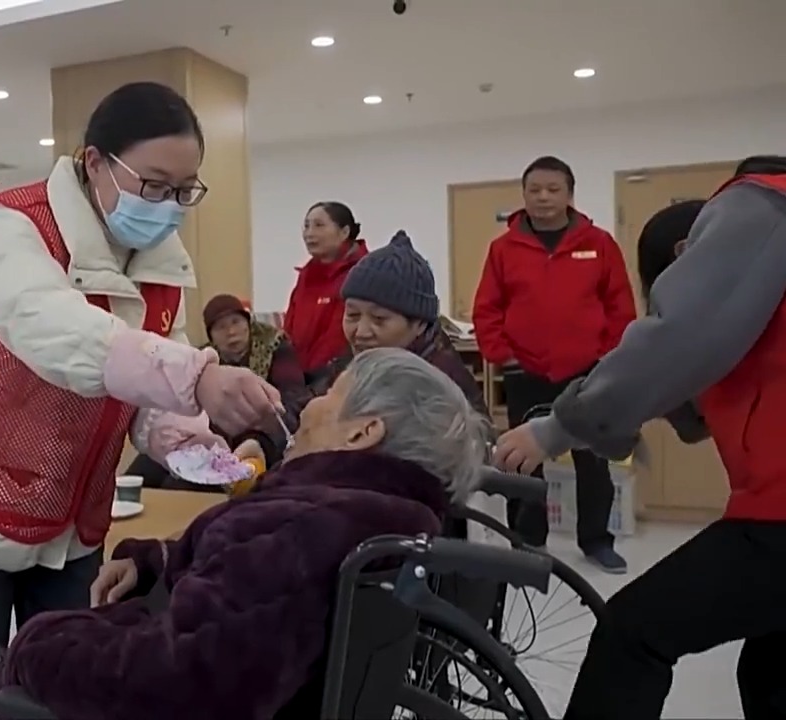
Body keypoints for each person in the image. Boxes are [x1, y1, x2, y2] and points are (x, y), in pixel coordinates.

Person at [0, 347, 491, 720]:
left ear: (363, 432)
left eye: (333, 393)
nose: (311, 402)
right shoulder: (379, 515)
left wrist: (45, 639)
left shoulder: (305, 527)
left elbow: (182, 683)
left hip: (123, 699)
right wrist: (156, 561)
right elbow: (244, 594)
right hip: (177, 665)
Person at [0, 81, 281, 652]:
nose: (167, 206)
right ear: (96, 162)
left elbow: (150, 387)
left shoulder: (160, 262)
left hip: (74, 519)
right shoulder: (15, 226)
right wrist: (198, 376)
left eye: (183, 191)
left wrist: (200, 449)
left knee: (65, 677)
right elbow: (60, 335)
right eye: (154, 185)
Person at [493, 156, 786, 720]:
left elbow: (680, 336)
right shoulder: (506, 249)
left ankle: (595, 536)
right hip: (553, 373)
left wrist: (564, 425)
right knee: (771, 663)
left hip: (777, 516)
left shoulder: (757, 204)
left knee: (631, 633)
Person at [471, 155, 636, 572]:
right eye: (534, 190)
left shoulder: (599, 243)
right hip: (525, 371)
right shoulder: (503, 249)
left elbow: (620, 306)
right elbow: (487, 309)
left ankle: (596, 540)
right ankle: (527, 540)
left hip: (588, 374)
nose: (543, 197)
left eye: (553, 189)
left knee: (593, 461)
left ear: (569, 195)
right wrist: (504, 356)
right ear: (524, 195)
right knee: (523, 462)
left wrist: (608, 359)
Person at [127, 293, 311, 489]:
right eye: (221, 327)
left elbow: (293, 402)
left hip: (262, 443)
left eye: (236, 322)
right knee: (141, 473)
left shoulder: (275, 348)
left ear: (248, 324)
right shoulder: (202, 363)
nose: (231, 332)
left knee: (175, 486)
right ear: (211, 336)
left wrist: (260, 436)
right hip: (207, 440)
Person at [320, 231, 488, 416]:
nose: (361, 332)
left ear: (419, 324)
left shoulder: (443, 388)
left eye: (378, 319)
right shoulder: (347, 366)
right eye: (353, 315)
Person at [284, 201, 368, 388]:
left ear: (344, 232)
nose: (309, 233)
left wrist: (319, 378)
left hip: (339, 379)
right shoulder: (307, 275)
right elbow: (289, 327)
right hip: (299, 380)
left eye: (319, 225)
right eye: (306, 226)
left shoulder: (360, 273)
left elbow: (341, 337)